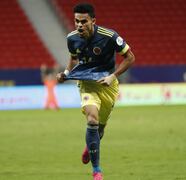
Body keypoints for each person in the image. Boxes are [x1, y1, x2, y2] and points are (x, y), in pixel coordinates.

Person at [56, 3, 135, 180]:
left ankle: (90, 146)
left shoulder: (109, 36)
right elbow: (73, 58)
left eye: (83, 21)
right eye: (76, 21)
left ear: (93, 20)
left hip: (107, 85)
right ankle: (97, 170)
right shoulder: (72, 38)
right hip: (87, 84)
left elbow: (130, 57)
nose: (79, 25)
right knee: (92, 118)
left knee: (99, 128)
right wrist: (66, 74)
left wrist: (112, 76)